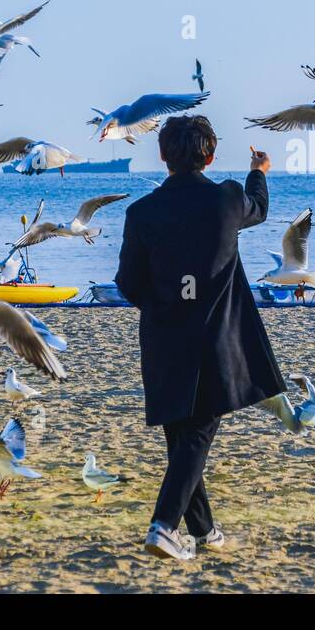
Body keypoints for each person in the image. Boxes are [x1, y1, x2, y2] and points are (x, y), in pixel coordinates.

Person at [115, 115, 286, 560]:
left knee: (182, 434)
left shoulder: (141, 212)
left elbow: (128, 283)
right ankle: (163, 526)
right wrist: (259, 171)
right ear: (209, 156)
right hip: (214, 337)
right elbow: (258, 207)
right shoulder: (226, 199)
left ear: (162, 155)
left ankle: (205, 532)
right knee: (195, 434)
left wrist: (164, 302)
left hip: (164, 336)